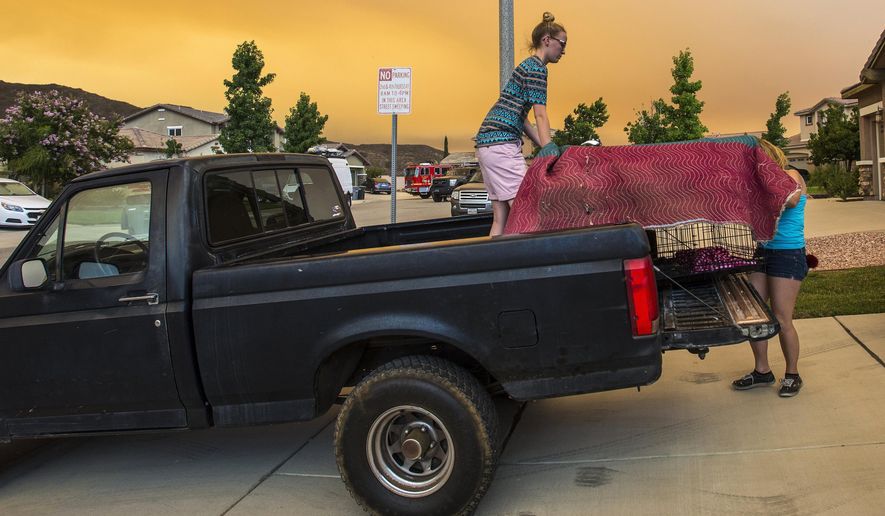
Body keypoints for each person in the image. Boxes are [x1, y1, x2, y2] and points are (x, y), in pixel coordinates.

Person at [475, 11, 567, 236]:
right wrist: (548, 149)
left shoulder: (525, 66)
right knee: (525, 211)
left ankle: (494, 265)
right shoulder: (537, 69)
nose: (563, 50)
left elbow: (524, 121)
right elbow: (540, 115)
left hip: (487, 145)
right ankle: (527, 266)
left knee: (501, 218)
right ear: (547, 40)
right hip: (501, 145)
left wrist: (544, 147)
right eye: (562, 44)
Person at [733, 139, 809, 397]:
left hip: (788, 253)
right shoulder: (755, 184)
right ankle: (762, 371)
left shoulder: (791, 174)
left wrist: (759, 190)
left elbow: (792, 200)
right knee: (754, 313)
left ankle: (792, 374)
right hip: (763, 251)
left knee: (781, 317)